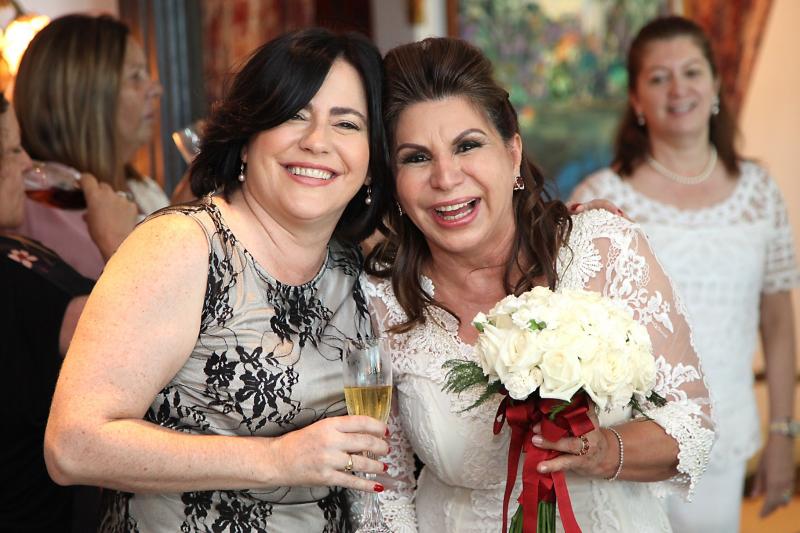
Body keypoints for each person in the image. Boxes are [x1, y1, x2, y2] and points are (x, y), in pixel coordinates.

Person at [45, 28, 393, 531]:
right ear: (247, 139)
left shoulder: (353, 267)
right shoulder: (182, 246)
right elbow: (72, 446)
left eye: (347, 124)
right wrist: (275, 460)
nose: (317, 141)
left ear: (371, 162)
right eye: (294, 115)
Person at [363, 37, 715, 532]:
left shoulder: (604, 250)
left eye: (468, 145)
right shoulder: (380, 302)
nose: (445, 177)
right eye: (416, 157)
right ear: (394, 182)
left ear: (513, 153)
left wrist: (602, 451)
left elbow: (691, 426)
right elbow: (384, 488)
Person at [570, 16, 798, 532]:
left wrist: (784, 431)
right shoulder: (601, 197)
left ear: (716, 85)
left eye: (691, 72)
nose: (678, 89)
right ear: (636, 99)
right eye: (658, 77)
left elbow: (778, 320)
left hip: (723, 437)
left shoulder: (759, 191)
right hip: (626, 445)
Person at [0, 92, 137, 531]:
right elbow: (139, 347)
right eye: (12, 150)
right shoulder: (17, 276)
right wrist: (121, 245)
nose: (26, 163)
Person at [13, 14, 168, 279]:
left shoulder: (144, 188)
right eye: (136, 76)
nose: (156, 90)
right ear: (83, 97)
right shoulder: (40, 208)